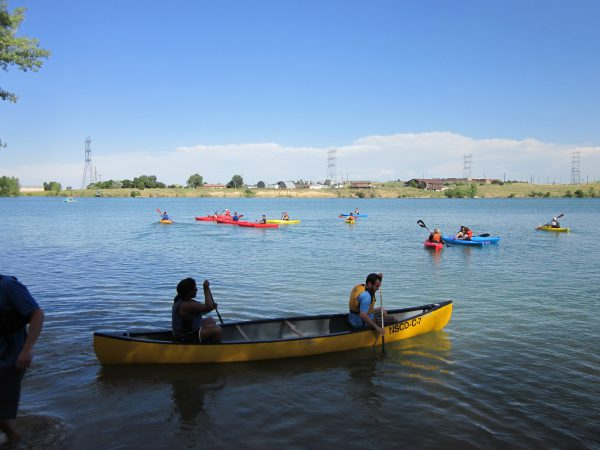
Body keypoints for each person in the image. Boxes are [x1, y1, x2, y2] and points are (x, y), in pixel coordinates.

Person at [0, 275, 44, 444]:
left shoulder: (8, 286)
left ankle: (14, 438)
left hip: (11, 358)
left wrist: (27, 349)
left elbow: (37, 314)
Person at [172, 278, 221, 344]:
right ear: (188, 291)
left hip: (188, 331)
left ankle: (206, 341)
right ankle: (214, 348)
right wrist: (206, 288)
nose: (196, 289)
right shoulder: (186, 305)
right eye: (194, 288)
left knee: (211, 320)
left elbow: (200, 311)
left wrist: (211, 308)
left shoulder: (181, 299)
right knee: (217, 330)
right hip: (184, 337)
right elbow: (208, 306)